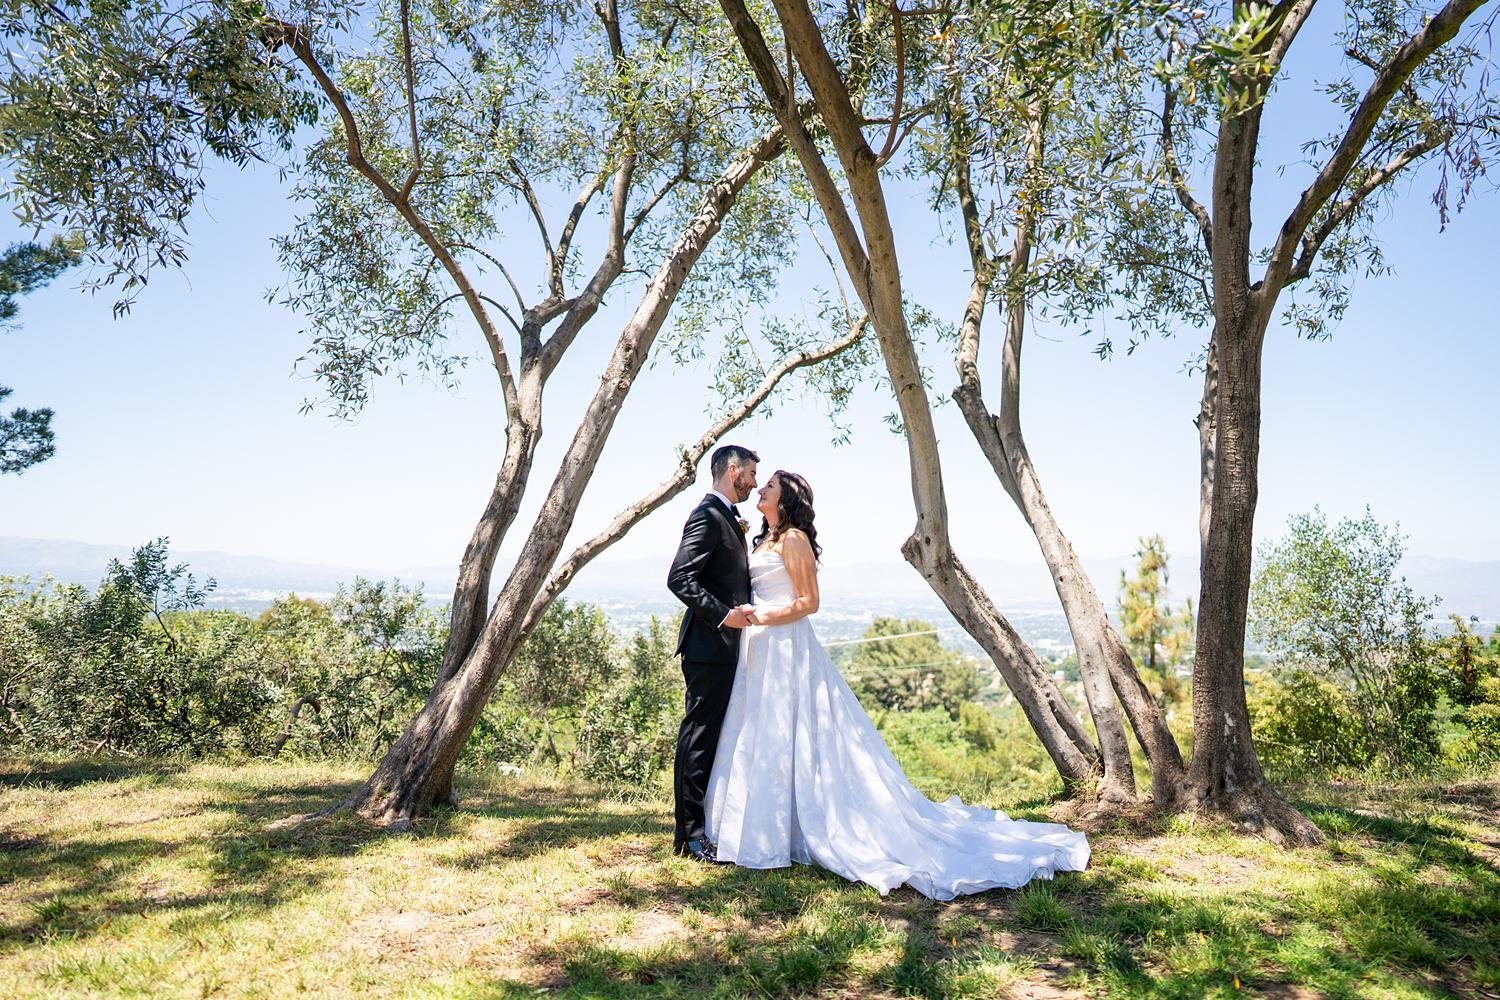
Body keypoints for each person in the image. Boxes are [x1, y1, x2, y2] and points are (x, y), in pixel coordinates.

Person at [704, 470, 1090, 899]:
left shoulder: (793, 539)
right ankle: (766, 825)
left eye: (769, 486)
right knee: (763, 732)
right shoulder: (763, 540)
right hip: (758, 647)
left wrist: (762, 616)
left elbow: (808, 602)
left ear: (788, 497)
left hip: (784, 643)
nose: (760, 489)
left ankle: (797, 830)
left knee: (794, 732)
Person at [666, 443, 759, 863]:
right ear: (732, 469)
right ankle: (690, 837)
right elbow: (680, 579)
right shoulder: (706, 515)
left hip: (725, 649)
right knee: (698, 739)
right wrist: (725, 617)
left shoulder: (728, 517)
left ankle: (706, 826)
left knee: (713, 738)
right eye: (752, 474)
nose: (755, 483)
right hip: (708, 647)